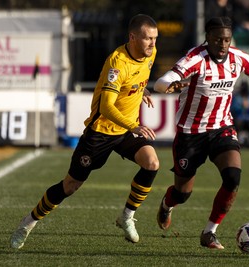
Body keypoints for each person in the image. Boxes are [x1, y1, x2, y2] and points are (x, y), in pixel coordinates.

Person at [10, 14, 159, 249]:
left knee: (151, 162)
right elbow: (106, 106)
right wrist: (133, 125)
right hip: (101, 132)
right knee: (70, 186)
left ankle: (127, 217)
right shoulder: (117, 63)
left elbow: (135, 81)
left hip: (126, 131)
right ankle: (28, 223)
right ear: (132, 37)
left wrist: (143, 91)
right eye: (148, 38)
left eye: (155, 38)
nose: (152, 43)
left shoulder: (150, 55)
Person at [154, 16, 249, 249]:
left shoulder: (238, 58)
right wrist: (170, 84)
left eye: (227, 40)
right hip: (190, 134)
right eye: (217, 39)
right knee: (182, 193)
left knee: (233, 178)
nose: (223, 44)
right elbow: (160, 82)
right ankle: (167, 205)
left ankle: (209, 232)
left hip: (221, 128)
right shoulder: (194, 59)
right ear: (207, 38)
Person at [231, 81, 249, 147]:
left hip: (247, 119)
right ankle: (234, 144)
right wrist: (241, 107)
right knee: (236, 129)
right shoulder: (236, 97)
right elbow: (232, 108)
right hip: (238, 119)